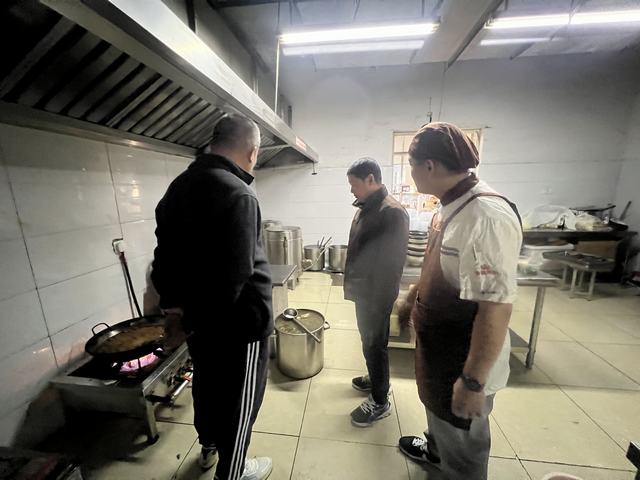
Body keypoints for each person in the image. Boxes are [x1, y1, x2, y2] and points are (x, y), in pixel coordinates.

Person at [397, 122, 522, 480]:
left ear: (429, 166)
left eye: (411, 165)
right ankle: (437, 452)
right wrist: (412, 299)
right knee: (440, 418)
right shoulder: (450, 205)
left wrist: (472, 382)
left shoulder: (485, 216)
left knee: (464, 444)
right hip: (440, 349)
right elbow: (441, 269)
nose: (411, 173)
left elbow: (495, 307)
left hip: (462, 357)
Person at [151, 113, 273, 480]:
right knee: (240, 402)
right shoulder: (239, 193)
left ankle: (208, 447)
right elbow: (234, 277)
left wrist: (178, 316)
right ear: (252, 152)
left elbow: (163, 259)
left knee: (207, 385)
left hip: (198, 323)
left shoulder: (178, 187)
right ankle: (232, 473)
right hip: (242, 325)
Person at [343, 157, 409, 427]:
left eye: (354, 184)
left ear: (370, 179)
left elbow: (392, 265)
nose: (351, 190)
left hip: (375, 296)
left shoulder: (391, 212)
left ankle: (380, 401)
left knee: (375, 344)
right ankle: (376, 377)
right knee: (368, 341)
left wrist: (378, 301)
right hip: (364, 291)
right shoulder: (367, 207)